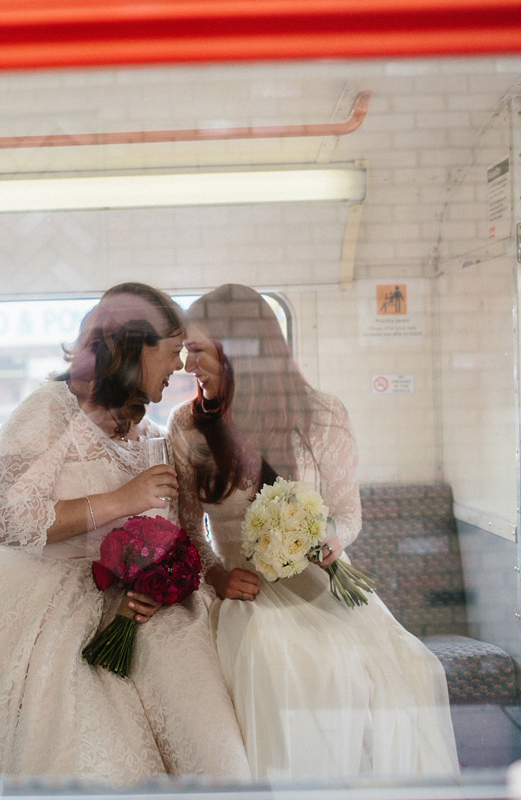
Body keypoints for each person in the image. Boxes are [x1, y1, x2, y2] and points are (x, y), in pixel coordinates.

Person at [0, 283, 249, 782]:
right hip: (40, 594)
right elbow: (10, 521)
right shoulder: (48, 413)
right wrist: (123, 499)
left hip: (131, 602)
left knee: (202, 719)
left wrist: (182, 579)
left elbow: (186, 538)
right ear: (136, 346)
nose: (182, 365)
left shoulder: (156, 438)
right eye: (173, 350)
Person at [167, 284, 459, 779]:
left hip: (320, 582)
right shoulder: (187, 427)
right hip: (246, 589)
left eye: (196, 350)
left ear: (236, 348)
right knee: (275, 658)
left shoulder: (322, 415)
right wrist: (216, 576)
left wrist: (329, 542)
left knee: (409, 669)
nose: (186, 365)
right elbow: (188, 529)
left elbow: (348, 513)